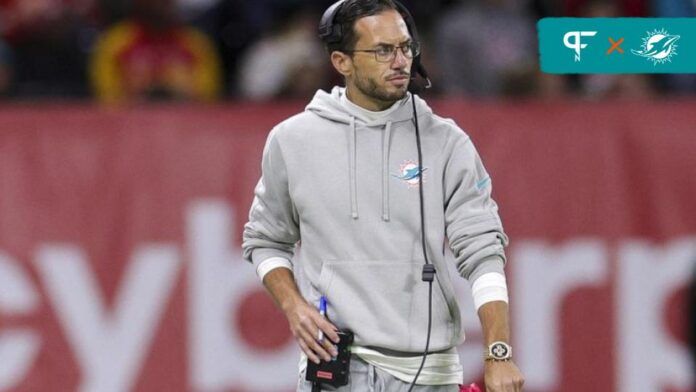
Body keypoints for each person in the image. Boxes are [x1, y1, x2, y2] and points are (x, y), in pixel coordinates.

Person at [242, 1, 525, 391]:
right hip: (334, 373)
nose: (400, 61)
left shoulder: (446, 141)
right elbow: (264, 239)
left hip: (429, 375)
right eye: (382, 50)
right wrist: (294, 308)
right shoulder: (292, 141)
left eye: (406, 47)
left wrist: (499, 353)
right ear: (342, 61)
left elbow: (483, 252)